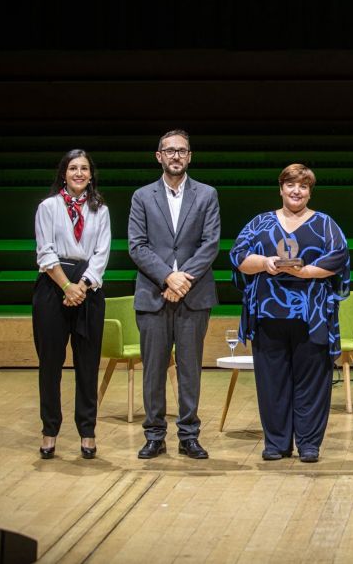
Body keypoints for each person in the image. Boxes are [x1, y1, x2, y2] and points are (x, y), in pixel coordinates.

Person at [230, 164, 350, 463]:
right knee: (272, 382)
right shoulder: (260, 222)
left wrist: (306, 272)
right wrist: (265, 262)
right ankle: (277, 443)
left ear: (310, 191)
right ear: (281, 188)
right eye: (291, 185)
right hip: (268, 314)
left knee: (312, 382)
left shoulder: (325, 224)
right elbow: (239, 256)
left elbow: (339, 257)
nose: (297, 191)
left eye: (304, 186)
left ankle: (309, 443)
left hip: (312, 316)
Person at [128, 130, 221, 460]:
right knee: (153, 369)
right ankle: (154, 434)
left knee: (189, 368)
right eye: (170, 151)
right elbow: (137, 245)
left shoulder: (207, 194)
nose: (176, 156)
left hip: (194, 296)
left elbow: (210, 244)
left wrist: (183, 281)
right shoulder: (142, 196)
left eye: (182, 151)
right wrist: (168, 277)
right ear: (159, 156)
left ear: (190, 156)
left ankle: (189, 434)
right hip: (153, 293)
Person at [33, 149, 111, 459]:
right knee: (50, 365)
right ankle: (49, 430)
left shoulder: (100, 209)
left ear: (91, 175)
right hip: (54, 286)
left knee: (88, 365)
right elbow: (45, 251)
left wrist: (82, 286)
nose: (79, 173)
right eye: (73, 168)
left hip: (88, 287)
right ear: (63, 173)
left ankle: (87, 432)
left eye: (84, 168)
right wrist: (66, 285)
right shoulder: (48, 207)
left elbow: (102, 253)